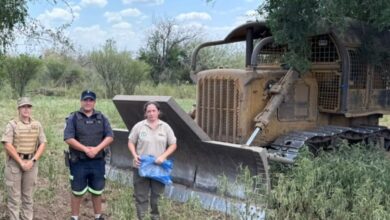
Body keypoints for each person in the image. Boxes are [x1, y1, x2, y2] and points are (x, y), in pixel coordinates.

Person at [64, 90, 114, 220]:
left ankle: (98, 216)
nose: (88, 102)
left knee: (97, 191)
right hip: (78, 162)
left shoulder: (102, 118)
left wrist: (97, 149)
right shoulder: (73, 118)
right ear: (81, 101)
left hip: (97, 162)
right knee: (77, 192)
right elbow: (68, 138)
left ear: (94, 102)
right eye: (85, 100)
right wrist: (86, 150)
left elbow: (110, 136)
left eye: (90, 100)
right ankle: (74, 217)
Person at [128, 101, 177, 220]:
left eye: (154, 111)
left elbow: (173, 144)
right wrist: (135, 155)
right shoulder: (139, 126)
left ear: (158, 112)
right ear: (145, 113)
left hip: (158, 168)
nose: (151, 113)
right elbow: (131, 142)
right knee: (141, 196)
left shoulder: (165, 127)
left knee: (157, 197)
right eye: (148, 111)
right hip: (141, 167)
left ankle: (155, 217)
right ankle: (143, 218)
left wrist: (163, 156)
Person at [1, 97, 47, 220]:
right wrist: (20, 162)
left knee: (28, 198)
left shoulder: (37, 125)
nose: (26, 109)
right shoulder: (12, 124)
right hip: (15, 165)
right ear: (19, 109)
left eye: (28, 106)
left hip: (31, 164)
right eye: (23, 106)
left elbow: (43, 143)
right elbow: (7, 144)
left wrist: (33, 160)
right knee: (14, 199)